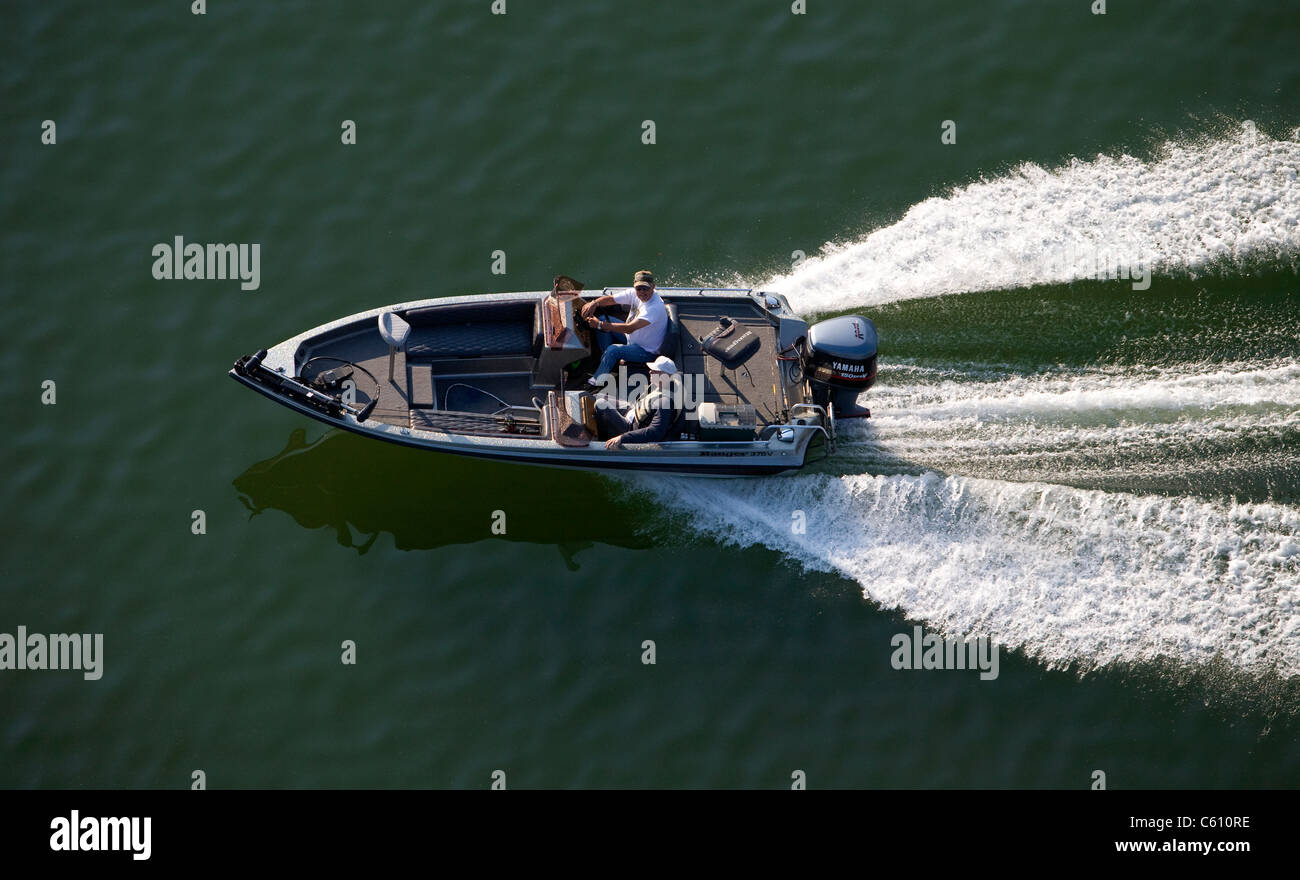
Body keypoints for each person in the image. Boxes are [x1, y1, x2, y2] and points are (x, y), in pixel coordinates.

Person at [582, 269, 668, 386]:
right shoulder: (633, 293)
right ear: (634, 287)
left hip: (646, 350)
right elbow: (612, 299)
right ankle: (608, 360)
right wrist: (594, 303)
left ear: (653, 286)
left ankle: (597, 382)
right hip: (631, 338)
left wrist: (599, 325)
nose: (642, 292)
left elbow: (629, 328)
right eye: (639, 288)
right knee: (602, 318)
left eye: (646, 288)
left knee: (612, 349)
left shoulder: (654, 308)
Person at [595, 356, 684, 449]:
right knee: (599, 396)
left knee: (601, 404)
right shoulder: (666, 385)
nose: (650, 371)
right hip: (635, 411)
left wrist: (623, 437)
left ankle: (601, 440)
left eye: (655, 371)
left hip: (630, 427)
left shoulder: (665, 403)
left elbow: (655, 432)